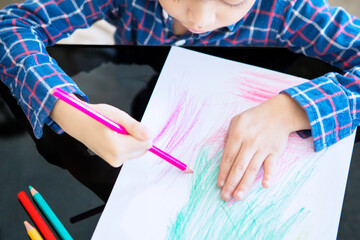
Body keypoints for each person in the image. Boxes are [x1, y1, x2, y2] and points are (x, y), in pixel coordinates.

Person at [0, 0, 359, 203]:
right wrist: (68, 109)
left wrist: (290, 111)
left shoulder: (289, 10)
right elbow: (11, 26)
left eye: (231, 0)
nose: (199, 19)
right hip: (147, 95)